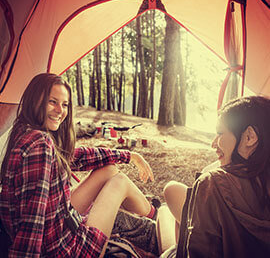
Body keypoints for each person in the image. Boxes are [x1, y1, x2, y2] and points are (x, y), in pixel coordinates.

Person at [0, 73, 156, 258]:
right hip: (66, 250)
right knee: (120, 181)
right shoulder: (40, 145)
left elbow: (76, 156)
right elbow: (32, 222)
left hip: (57, 226)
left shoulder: (24, 130)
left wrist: (129, 156)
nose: (60, 110)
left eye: (65, 104)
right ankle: (153, 217)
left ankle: (149, 216)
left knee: (108, 170)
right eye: (52, 102)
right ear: (36, 100)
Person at [162, 96, 270, 257]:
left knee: (164, 213)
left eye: (220, 133)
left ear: (250, 137)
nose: (213, 143)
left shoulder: (212, 183)